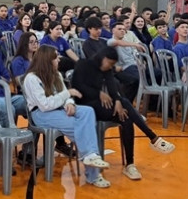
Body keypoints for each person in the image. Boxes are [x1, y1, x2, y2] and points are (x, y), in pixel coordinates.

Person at [72, 48, 175, 181]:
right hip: (85, 107)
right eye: (109, 63)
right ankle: (153, 137)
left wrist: (117, 100)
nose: (110, 66)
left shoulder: (107, 69)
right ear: (102, 58)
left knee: (125, 116)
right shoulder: (83, 64)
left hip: (102, 105)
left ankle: (130, 164)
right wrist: (98, 93)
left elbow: (112, 87)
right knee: (126, 106)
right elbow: (77, 86)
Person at [22, 46, 110, 187]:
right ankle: (93, 173)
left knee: (88, 111)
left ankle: (90, 157)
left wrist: (70, 103)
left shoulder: (56, 74)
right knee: (79, 126)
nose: (59, 59)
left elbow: (64, 95)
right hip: (41, 114)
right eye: (55, 57)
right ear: (47, 60)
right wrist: (68, 94)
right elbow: (45, 105)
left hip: (59, 109)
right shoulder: (31, 78)